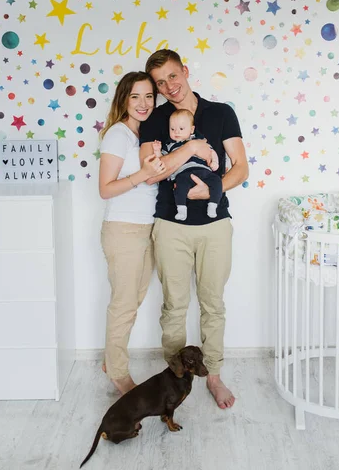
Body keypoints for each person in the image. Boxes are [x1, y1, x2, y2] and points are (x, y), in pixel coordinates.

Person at [139, 50, 249, 409]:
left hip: (215, 226)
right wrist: (191, 147)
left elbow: (241, 168)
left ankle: (213, 375)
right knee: (174, 306)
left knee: (212, 304)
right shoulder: (155, 120)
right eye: (160, 82)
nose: (169, 86)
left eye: (173, 76)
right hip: (171, 226)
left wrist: (211, 187)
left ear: (185, 72)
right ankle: (174, 380)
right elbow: (152, 172)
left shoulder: (221, 113)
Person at [99, 71, 165, 395]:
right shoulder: (117, 135)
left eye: (149, 96)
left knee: (132, 301)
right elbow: (105, 189)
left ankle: (111, 358)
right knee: (124, 305)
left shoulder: (143, 136)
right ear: (124, 99)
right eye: (136, 96)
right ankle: (118, 373)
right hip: (123, 229)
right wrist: (143, 174)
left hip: (146, 228)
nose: (143, 103)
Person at [152, 108, 222, 221]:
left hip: (203, 171)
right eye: (172, 129)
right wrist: (157, 151)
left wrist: (215, 162)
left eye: (181, 128)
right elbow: (163, 161)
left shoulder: (199, 141)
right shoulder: (170, 145)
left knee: (217, 181)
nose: (176, 132)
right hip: (184, 174)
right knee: (179, 188)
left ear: (191, 129)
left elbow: (211, 151)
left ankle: (213, 205)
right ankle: (181, 209)